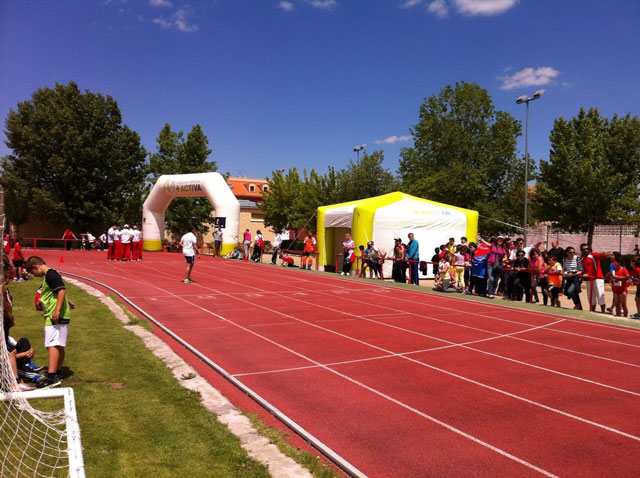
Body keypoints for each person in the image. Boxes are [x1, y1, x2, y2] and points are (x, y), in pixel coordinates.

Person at [25, 256, 72, 388]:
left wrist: (57, 310)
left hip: (54, 316)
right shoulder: (51, 274)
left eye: (33, 273)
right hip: (61, 315)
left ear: (35, 267)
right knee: (58, 345)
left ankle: (51, 377)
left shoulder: (50, 274)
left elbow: (61, 290)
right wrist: (66, 303)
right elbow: (57, 292)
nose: (35, 275)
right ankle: (57, 372)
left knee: (52, 345)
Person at [580, 244, 607, 312]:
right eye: (584, 249)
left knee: (600, 294)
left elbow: (603, 256)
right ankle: (592, 311)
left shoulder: (593, 255)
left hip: (597, 278)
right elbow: (584, 270)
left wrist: (607, 254)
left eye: (587, 249)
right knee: (590, 296)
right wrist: (584, 275)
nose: (586, 250)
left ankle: (603, 311)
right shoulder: (582, 259)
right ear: (581, 250)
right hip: (589, 279)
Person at [610, 253, 630, 317]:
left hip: (623, 289)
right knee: (617, 304)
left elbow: (627, 277)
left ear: (619, 263)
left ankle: (625, 316)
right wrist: (613, 279)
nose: (614, 264)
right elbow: (614, 278)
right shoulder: (615, 270)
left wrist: (618, 278)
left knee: (623, 304)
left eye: (615, 262)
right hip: (616, 289)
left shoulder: (624, 270)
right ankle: (617, 315)